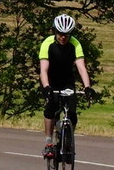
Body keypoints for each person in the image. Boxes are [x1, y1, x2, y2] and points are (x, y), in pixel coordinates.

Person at [36, 13, 92, 159]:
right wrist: (46, 87)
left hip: (67, 80)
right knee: (51, 108)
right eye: (60, 33)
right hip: (50, 80)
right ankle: (48, 143)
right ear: (55, 31)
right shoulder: (47, 43)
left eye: (67, 34)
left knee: (72, 113)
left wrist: (87, 87)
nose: (63, 37)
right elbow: (43, 70)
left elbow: (81, 67)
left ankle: (67, 140)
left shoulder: (75, 44)